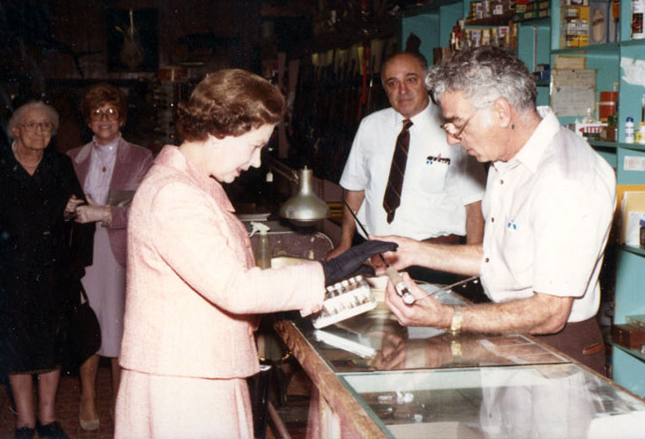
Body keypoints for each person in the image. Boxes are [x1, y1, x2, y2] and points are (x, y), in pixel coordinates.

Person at [115, 68, 396, 437]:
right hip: (185, 383)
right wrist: (326, 273)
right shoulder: (175, 195)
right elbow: (235, 288)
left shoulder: (191, 186)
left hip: (199, 369)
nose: (257, 162)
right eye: (254, 146)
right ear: (220, 131)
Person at [377, 46, 616, 374]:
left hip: (557, 354)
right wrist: (414, 251)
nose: (452, 140)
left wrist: (449, 318)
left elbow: (550, 310)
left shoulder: (566, 178)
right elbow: (498, 257)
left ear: (502, 112)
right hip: (511, 334)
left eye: (457, 124)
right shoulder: (508, 159)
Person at [0, 100, 93, 438]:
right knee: (16, 345)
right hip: (7, 271)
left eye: (45, 126)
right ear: (16, 129)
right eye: (32, 125)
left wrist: (77, 260)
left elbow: (80, 211)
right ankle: (25, 422)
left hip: (52, 270)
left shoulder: (59, 164)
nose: (40, 131)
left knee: (49, 345)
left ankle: (48, 419)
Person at [328, 51, 486, 284]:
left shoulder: (455, 129)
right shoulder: (371, 126)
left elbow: (474, 205)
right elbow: (355, 188)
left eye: (411, 80)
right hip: (375, 257)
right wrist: (345, 243)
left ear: (427, 82)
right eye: (393, 83)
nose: (402, 90)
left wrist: (470, 267)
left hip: (434, 260)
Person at [66, 82, 153, 431]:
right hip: (83, 254)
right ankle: (87, 397)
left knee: (119, 329)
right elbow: (62, 209)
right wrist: (69, 209)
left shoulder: (142, 157)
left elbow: (145, 212)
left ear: (123, 119)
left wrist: (104, 214)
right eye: (97, 113)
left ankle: (121, 402)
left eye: (112, 112)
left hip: (121, 252)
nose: (105, 119)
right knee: (87, 325)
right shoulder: (71, 158)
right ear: (88, 121)